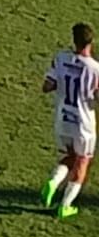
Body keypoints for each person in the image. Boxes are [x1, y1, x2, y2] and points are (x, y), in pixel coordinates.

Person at [45, 22, 99, 220]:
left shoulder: (60, 59)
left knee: (67, 157)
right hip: (83, 125)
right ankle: (65, 206)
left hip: (63, 120)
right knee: (82, 161)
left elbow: (47, 86)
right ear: (91, 42)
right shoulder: (95, 69)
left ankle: (53, 182)